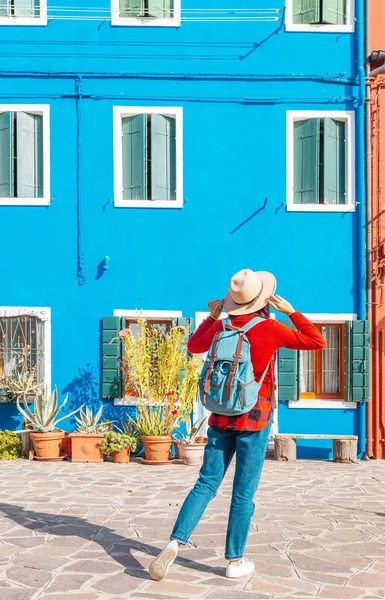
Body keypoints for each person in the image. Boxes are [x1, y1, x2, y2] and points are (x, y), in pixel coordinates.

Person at [149, 268, 326, 582]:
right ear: (264, 299)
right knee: (242, 494)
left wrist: (211, 317)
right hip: (254, 419)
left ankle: (174, 542)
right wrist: (292, 312)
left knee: (205, 485)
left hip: (220, 416)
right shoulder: (271, 328)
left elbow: (193, 346)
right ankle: (234, 561)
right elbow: (317, 341)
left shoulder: (221, 327)